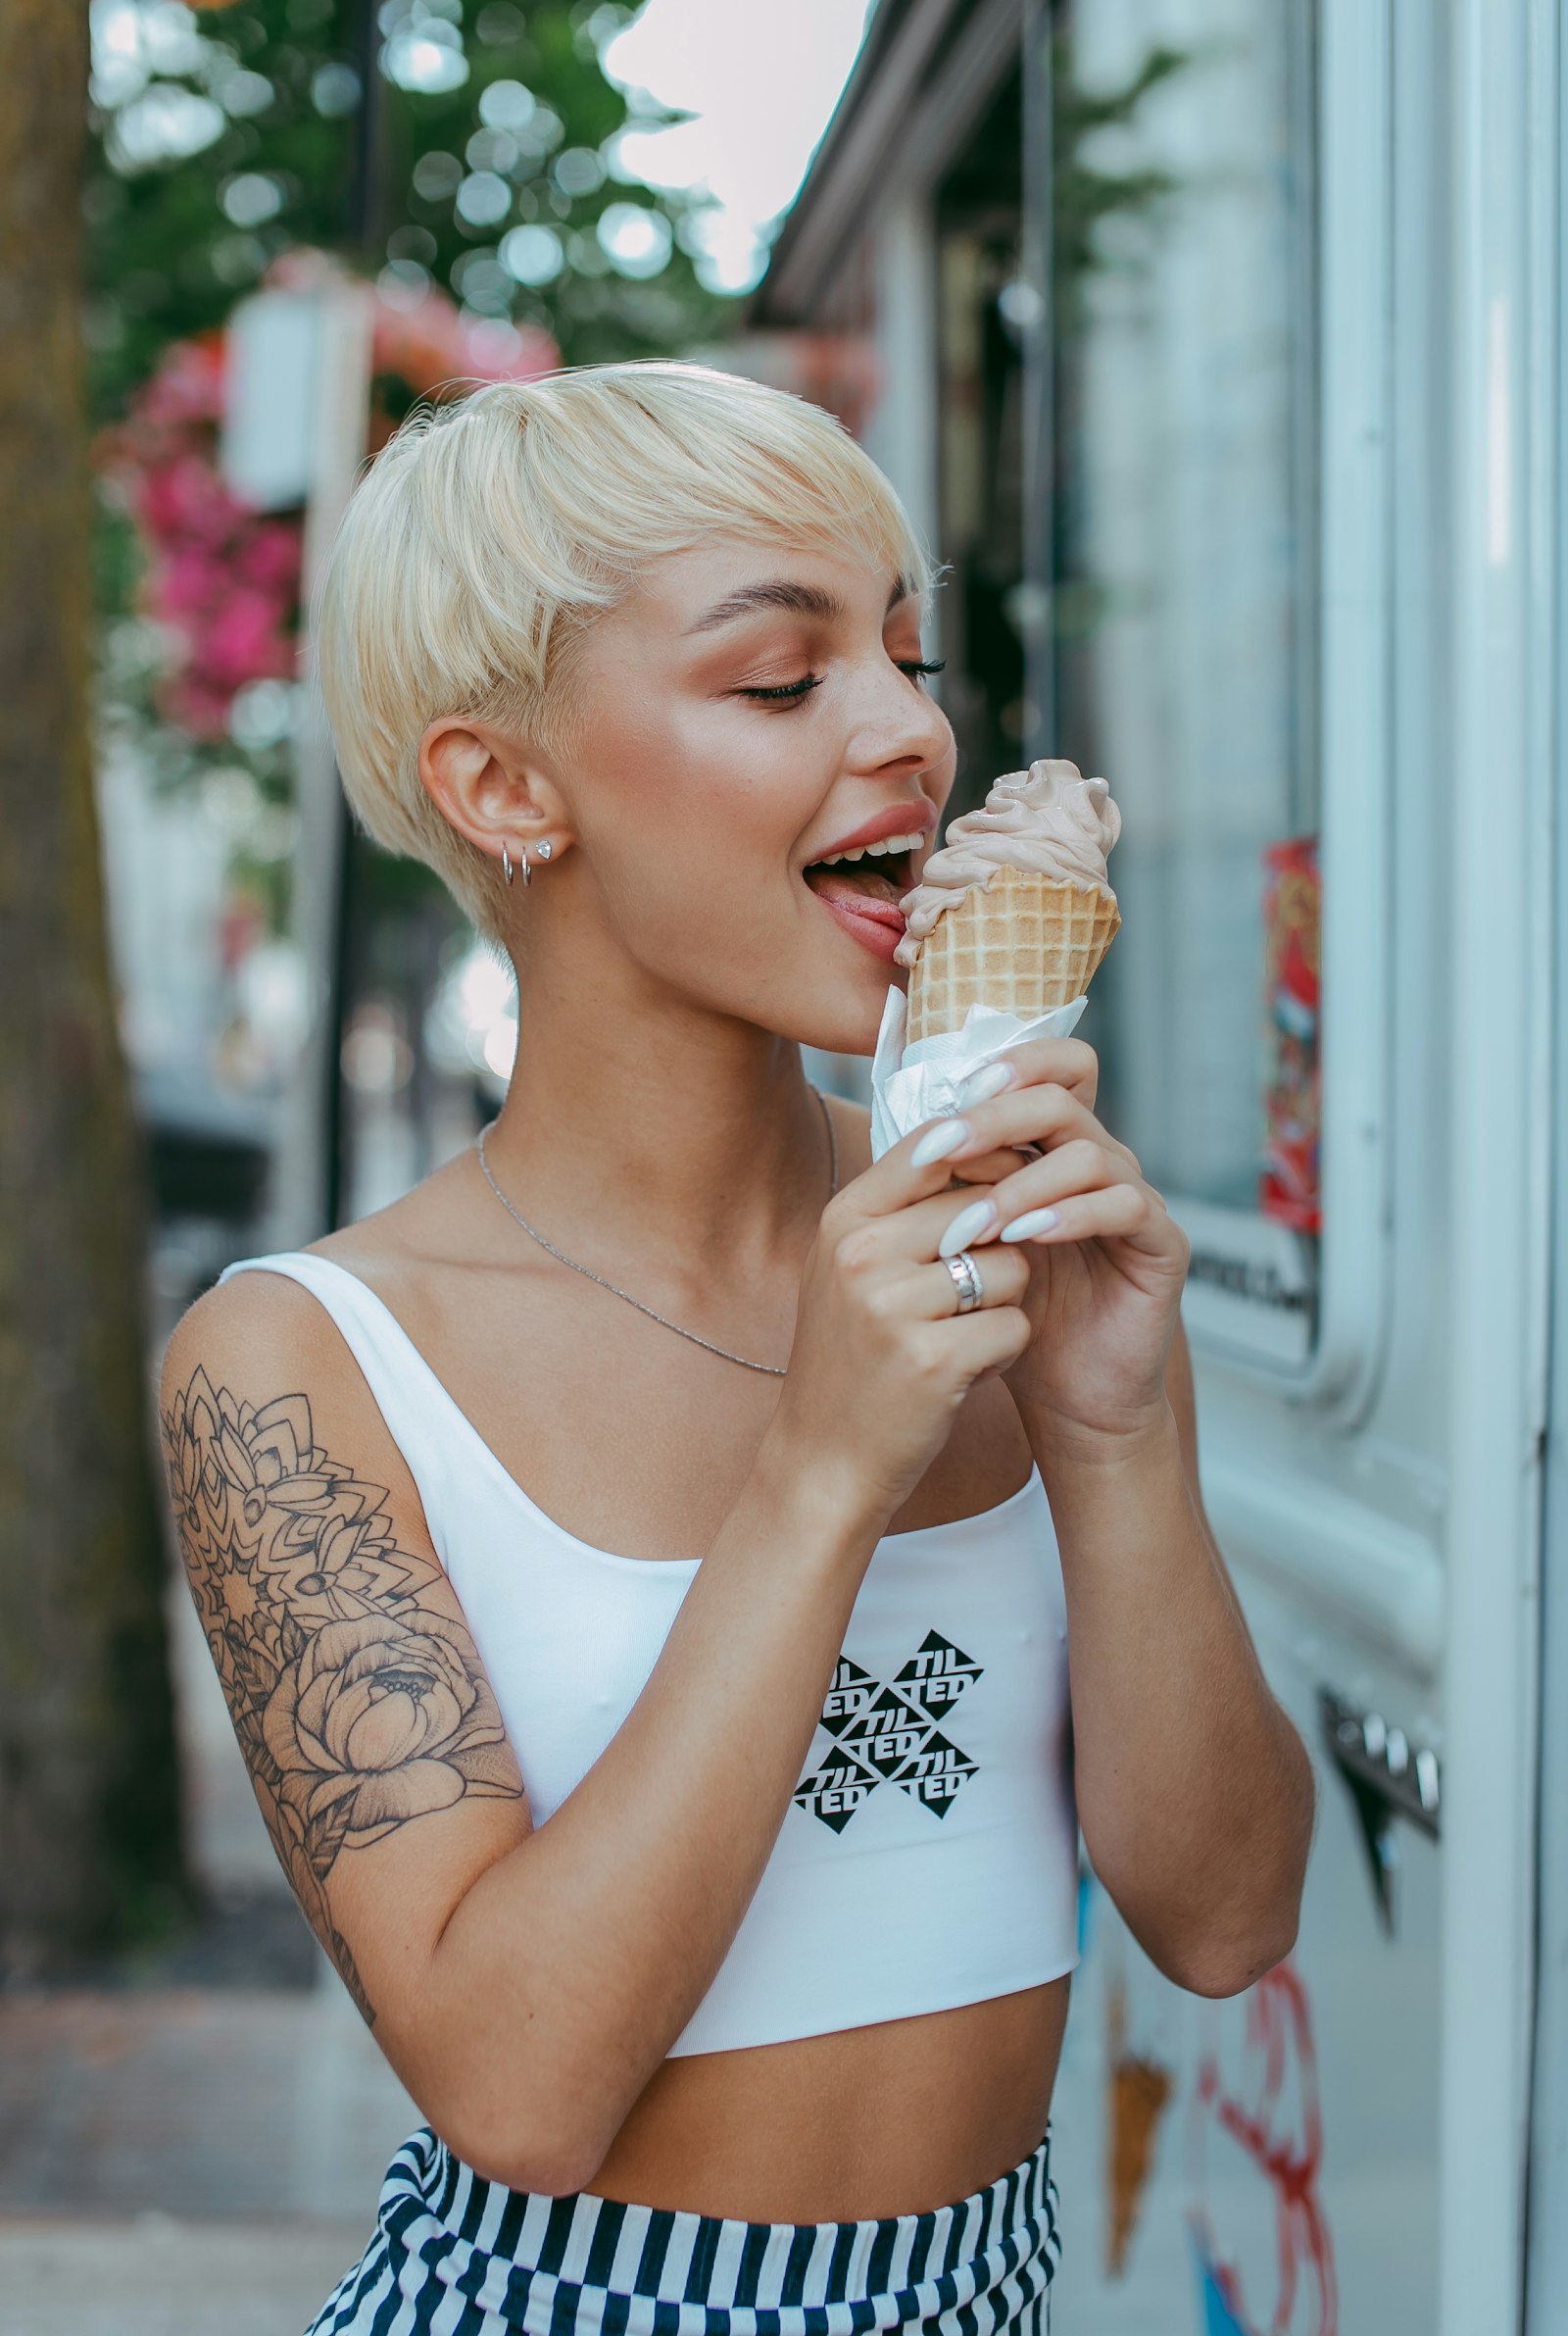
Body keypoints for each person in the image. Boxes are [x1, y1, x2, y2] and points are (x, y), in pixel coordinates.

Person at [159, 363, 1313, 2334]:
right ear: (505, 788)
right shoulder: (300, 1362)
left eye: (901, 652)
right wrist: (816, 1472)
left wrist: (1115, 1438)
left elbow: (1220, 1925)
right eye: (781, 685)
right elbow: (515, 2092)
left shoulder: (998, 1236)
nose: (908, 731)